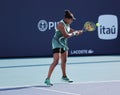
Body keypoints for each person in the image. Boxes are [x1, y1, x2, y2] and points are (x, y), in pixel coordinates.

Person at [45, 10, 83, 86]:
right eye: (72, 19)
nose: (72, 21)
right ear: (67, 19)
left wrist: (78, 32)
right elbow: (66, 35)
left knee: (64, 60)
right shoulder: (61, 24)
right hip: (56, 42)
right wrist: (75, 33)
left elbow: (70, 30)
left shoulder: (67, 24)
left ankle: (64, 76)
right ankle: (47, 79)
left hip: (63, 43)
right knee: (56, 61)